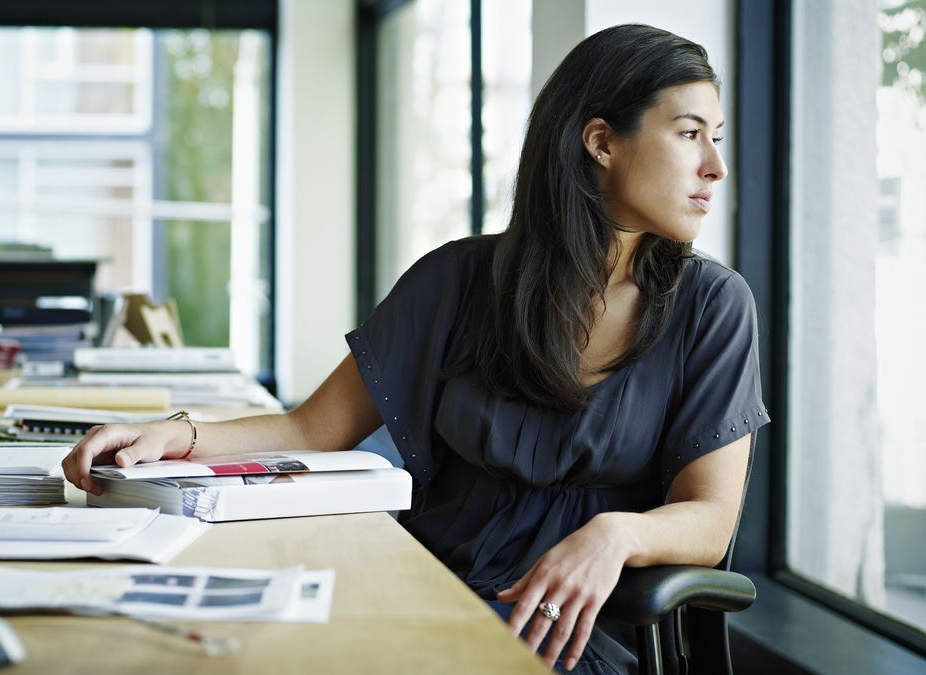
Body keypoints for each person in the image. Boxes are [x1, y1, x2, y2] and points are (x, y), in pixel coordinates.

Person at [64, 23, 767, 674]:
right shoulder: (457, 279)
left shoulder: (713, 306)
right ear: (601, 142)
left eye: (716, 137)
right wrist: (175, 435)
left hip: (575, 629)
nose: (716, 166)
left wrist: (617, 534)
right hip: (420, 586)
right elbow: (312, 429)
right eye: (690, 134)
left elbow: (709, 519)